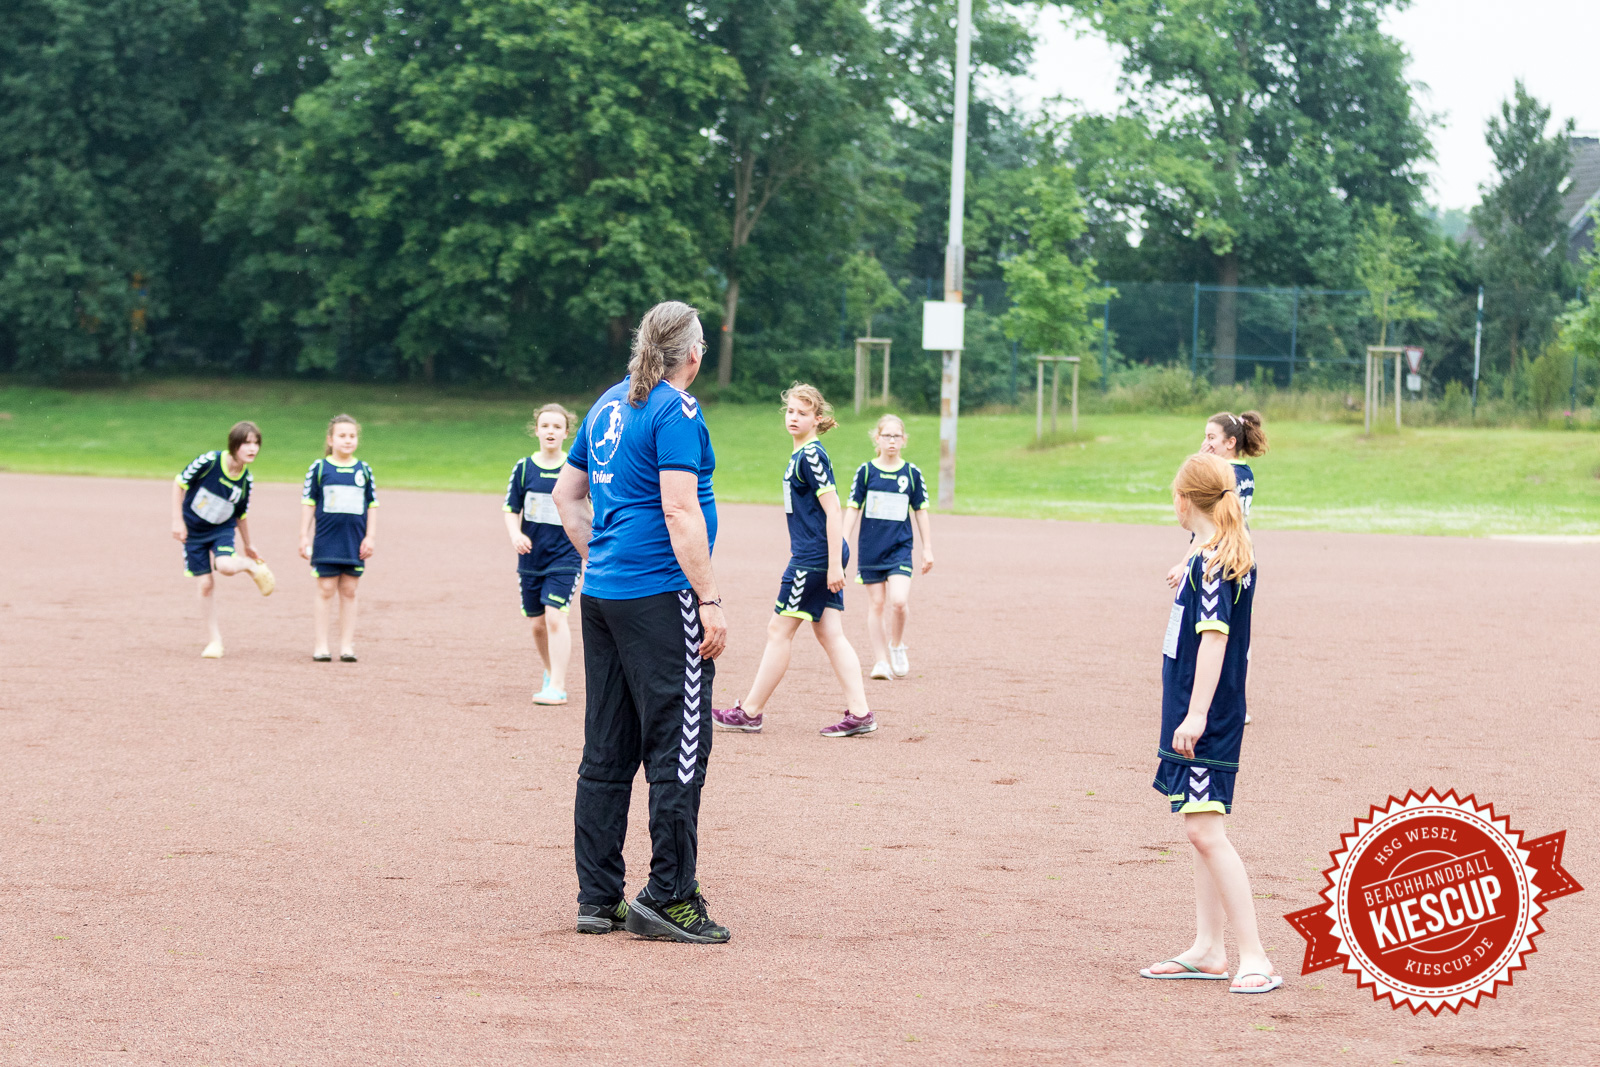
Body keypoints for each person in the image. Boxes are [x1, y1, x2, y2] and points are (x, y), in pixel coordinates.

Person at [553, 300, 730, 944]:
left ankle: (597, 898)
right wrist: (708, 598)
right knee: (679, 749)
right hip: (660, 597)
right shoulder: (676, 409)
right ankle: (670, 896)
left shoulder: (606, 403)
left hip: (602, 596)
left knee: (606, 747)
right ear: (692, 353)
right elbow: (680, 511)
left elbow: (565, 496)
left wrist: (601, 557)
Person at [1140, 453, 1280, 994]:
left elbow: (1215, 640)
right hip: (1190, 707)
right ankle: (1208, 948)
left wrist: (1196, 714)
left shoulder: (1215, 561)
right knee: (1200, 828)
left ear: (1185, 500)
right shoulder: (1207, 553)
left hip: (1208, 714)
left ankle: (1255, 957)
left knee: (1205, 830)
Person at [712, 383, 874, 738]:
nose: (794, 418)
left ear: (817, 419)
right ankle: (860, 713)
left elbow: (834, 511)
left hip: (816, 556)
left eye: (802, 413)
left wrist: (833, 564)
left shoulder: (812, 455)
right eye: (790, 412)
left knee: (778, 630)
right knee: (830, 632)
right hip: (816, 552)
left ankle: (750, 711)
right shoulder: (801, 454)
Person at [170, 421, 276, 658]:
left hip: (221, 529)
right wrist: (177, 521)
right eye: (247, 443)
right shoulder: (209, 461)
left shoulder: (246, 481)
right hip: (193, 532)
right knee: (206, 584)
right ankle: (214, 641)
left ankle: (250, 567)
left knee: (226, 566)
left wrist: (248, 546)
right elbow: (179, 484)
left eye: (256, 443)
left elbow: (240, 515)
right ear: (234, 444)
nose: (253, 448)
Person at [843, 413, 933, 681]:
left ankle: (896, 645)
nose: (891, 440)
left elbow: (921, 512)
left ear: (904, 440)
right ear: (877, 439)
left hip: (900, 549)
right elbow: (852, 509)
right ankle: (881, 661)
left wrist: (927, 548)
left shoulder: (911, 473)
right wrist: (842, 542)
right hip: (871, 548)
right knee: (877, 604)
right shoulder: (867, 471)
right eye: (886, 435)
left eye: (896, 436)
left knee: (899, 602)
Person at [504, 403, 583, 705]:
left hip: (565, 557)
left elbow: (589, 507)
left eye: (557, 427)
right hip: (531, 558)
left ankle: (559, 687)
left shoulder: (574, 469)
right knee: (537, 623)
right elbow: (511, 509)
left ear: (566, 433)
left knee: (554, 617)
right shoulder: (524, 468)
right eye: (545, 426)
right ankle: (550, 673)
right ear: (536, 430)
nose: (551, 431)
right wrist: (516, 534)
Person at [299, 414, 378, 662]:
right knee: (325, 589)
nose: (347, 440)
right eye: (342, 436)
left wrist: (370, 537)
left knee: (350, 590)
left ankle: (346, 646)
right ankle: (321, 645)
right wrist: (303, 535)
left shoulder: (363, 470)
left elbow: (372, 505)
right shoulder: (320, 468)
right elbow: (309, 503)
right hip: (326, 539)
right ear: (330, 439)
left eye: (352, 436)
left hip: (353, 540)